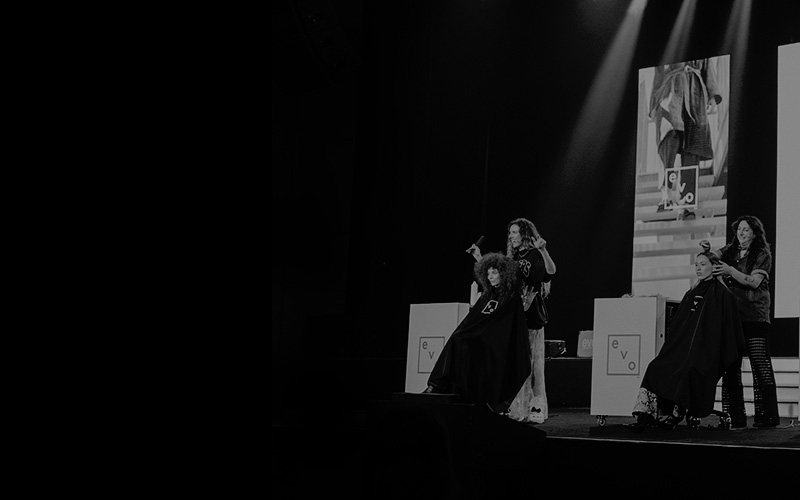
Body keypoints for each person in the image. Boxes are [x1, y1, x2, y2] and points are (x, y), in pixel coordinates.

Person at [627, 251, 744, 431]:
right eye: (696, 265)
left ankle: (676, 415)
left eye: (703, 264)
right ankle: (645, 416)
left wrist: (707, 351)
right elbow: (679, 328)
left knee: (687, 369)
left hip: (706, 354)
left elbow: (727, 332)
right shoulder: (691, 293)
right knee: (655, 366)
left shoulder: (723, 295)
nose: (698, 268)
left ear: (714, 267)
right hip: (683, 350)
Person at [467, 218, 556, 423]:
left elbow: (550, 272)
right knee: (517, 362)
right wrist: (479, 257)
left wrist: (544, 251)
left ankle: (536, 405)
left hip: (531, 315)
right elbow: (497, 276)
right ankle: (517, 406)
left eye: (514, 232)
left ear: (524, 233)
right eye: (510, 233)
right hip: (513, 315)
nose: (511, 236)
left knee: (534, 363)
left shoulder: (535, 253)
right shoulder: (512, 257)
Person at [423, 253, 531, 414]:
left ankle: (442, 386)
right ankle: (437, 385)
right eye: (488, 273)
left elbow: (504, 326)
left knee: (466, 342)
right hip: (480, 336)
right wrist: (469, 333)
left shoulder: (512, 298)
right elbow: (472, 321)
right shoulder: (487, 295)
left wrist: (480, 334)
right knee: (457, 339)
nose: (490, 277)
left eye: (494, 272)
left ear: (504, 273)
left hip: (497, 340)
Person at [702, 215, 781, 428]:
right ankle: (734, 416)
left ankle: (767, 416)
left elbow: (754, 282)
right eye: (739, 230)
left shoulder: (762, 254)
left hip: (755, 315)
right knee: (731, 366)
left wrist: (730, 271)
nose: (741, 233)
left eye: (746, 230)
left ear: (754, 233)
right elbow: (711, 257)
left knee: (760, 364)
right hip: (732, 316)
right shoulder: (730, 250)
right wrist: (707, 250)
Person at [649, 59, 723, 212]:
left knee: (693, 149)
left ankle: (686, 203)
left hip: (695, 95)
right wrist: (653, 106)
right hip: (670, 92)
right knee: (668, 140)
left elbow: (708, 69)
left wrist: (712, 96)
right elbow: (658, 74)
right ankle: (666, 194)